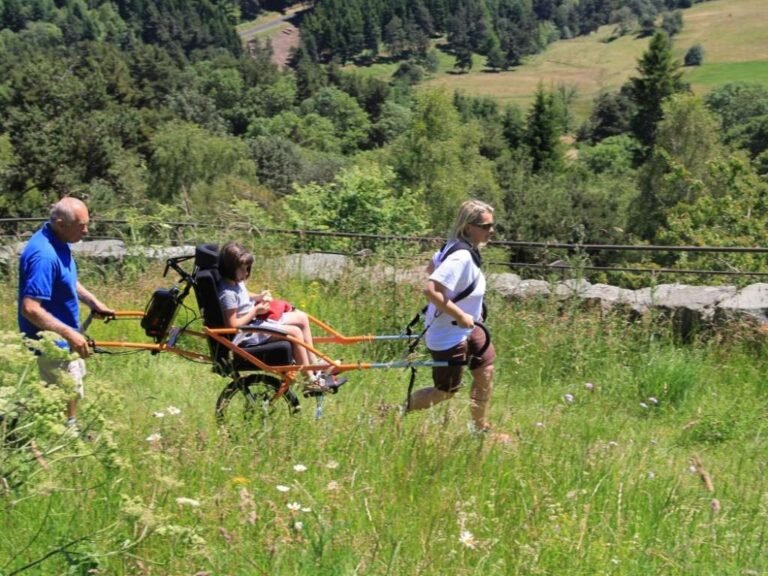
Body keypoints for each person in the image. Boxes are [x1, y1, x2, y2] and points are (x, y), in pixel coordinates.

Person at [406, 199, 508, 440]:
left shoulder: (456, 248)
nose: (491, 230)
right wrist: (460, 313)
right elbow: (431, 289)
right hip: (449, 332)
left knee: (486, 371)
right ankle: (398, 410)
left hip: (471, 326)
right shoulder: (460, 256)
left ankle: (479, 428)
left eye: (493, 225)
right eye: (486, 226)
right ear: (468, 226)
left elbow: (432, 267)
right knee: (445, 392)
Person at [18, 197, 114, 427]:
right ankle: (62, 433)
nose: (86, 231)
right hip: (50, 340)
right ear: (61, 223)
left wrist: (93, 302)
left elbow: (65, 279)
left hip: (65, 334)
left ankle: (61, 424)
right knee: (65, 390)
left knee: (70, 385)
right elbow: (30, 308)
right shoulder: (44, 255)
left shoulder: (59, 241)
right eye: (81, 226)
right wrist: (69, 334)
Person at [217, 241, 332, 393]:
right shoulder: (227, 294)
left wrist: (257, 297)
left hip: (254, 323)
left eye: (247, 269)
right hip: (247, 334)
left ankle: (315, 366)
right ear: (231, 268)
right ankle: (309, 380)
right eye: (243, 270)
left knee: (302, 318)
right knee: (295, 333)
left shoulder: (235, 283)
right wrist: (256, 311)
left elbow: (243, 297)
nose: (246, 274)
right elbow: (232, 325)